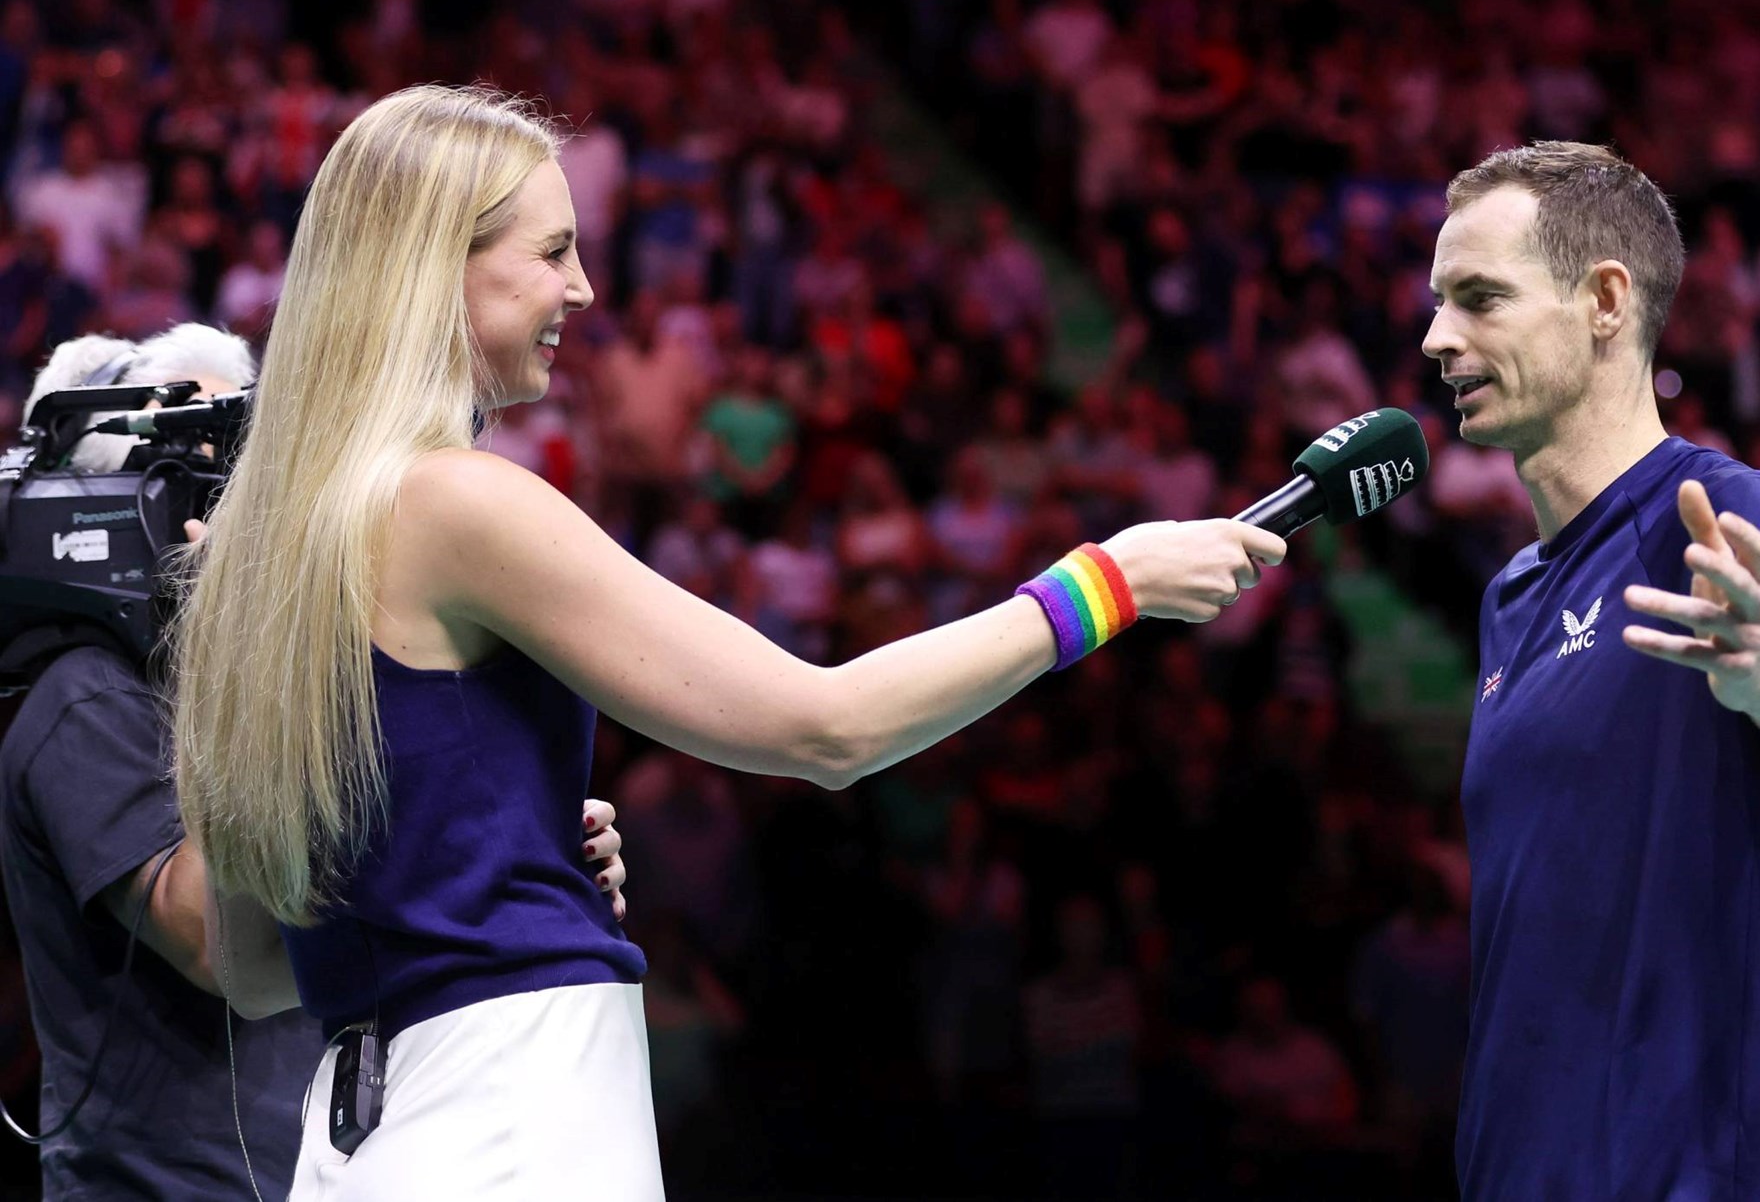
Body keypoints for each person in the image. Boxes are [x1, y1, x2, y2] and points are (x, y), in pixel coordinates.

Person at [168, 85, 1284, 1200]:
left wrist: (493, 846)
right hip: (514, 1112)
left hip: (356, 1144)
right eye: (553, 250)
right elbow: (826, 726)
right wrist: (1105, 584)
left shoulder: (256, 555)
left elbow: (257, 965)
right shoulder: (457, 504)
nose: (582, 288)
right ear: (431, 268)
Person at [0, 325, 631, 1200]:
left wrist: (512, 851)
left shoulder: (242, 672)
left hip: (317, 1155)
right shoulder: (86, 697)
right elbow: (221, 946)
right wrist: (254, 650)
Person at [1422, 141, 1760, 1199]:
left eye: (1478, 299)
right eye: (1437, 303)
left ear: (1604, 299)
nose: (1436, 338)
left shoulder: (1727, 512)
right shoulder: (1508, 593)